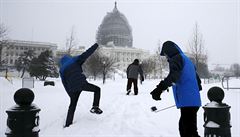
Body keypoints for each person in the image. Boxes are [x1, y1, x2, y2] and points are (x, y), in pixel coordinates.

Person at [150, 41, 202, 137]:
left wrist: (159, 89)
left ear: (169, 51)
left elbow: (173, 77)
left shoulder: (176, 58)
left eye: (165, 55)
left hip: (188, 101)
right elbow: (198, 82)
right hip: (192, 100)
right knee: (184, 128)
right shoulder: (187, 60)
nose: (166, 58)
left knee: (189, 131)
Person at [59, 43, 103, 127]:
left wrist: (70, 93)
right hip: (82, 83)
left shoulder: (62, 69)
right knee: (97, 89)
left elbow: (64, 83)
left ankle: (68, 123)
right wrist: (95, 46)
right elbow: (87, 53)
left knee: (72, 105)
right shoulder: (74, 60)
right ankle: (95, 107)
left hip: (72, 88)